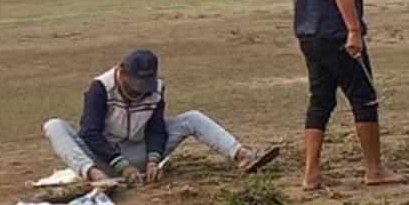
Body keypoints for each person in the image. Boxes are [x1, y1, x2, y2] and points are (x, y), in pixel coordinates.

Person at [287, 0, 404, 189]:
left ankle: (311, 173)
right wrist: (353, 30)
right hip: (337, 32)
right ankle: (374, 169)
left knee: (320, 100)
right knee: (364, 98)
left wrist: (306, 21)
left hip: (307, 31)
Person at [42, 48, 280, 185]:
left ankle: (243, 156)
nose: (140, 90)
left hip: (139, 153)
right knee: (54, 126)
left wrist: (154, 159)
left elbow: (156, 129)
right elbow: (90, 133)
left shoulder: (155, 89)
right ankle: (97, 178)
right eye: (135, 83)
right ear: (122, 72)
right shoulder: (100, 88)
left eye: (146, 83)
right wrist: (120, 165)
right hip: (101, 159)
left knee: (192, 118)